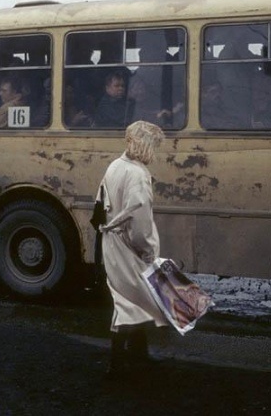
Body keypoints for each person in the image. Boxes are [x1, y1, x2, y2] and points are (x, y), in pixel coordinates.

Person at [96, 120, 168, 377]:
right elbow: (140, 220)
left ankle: (137, 357)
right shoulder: (138, 174)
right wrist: (147, 250)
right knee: (129, 303)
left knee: (131, 300)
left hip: (112, 243)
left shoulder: (115, 165)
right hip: (130, 246)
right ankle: (118, 365)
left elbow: (99, 206)